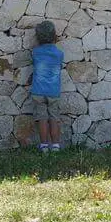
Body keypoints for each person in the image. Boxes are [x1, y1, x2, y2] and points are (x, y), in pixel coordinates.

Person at [30, 20, 64, 152]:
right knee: (54, 118)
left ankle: (44, 145)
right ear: (54, 36)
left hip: (38, 90)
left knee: (42, 118)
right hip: (53, 91)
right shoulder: (59, 54)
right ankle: (55, 145)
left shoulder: (35, 52)